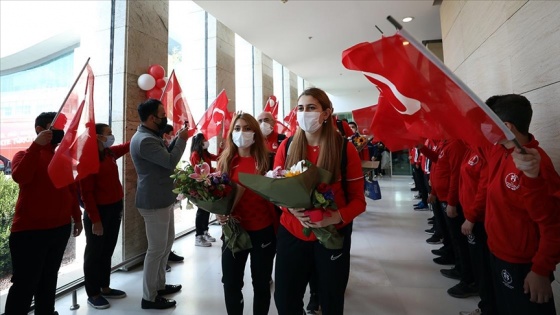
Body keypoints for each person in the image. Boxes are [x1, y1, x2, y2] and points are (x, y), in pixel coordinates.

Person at [273, 88, 366, 315]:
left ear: (326, 113)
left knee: (331, 300)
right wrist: (290, 208)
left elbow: (358, 201)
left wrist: (336, 216)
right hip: (293, 233)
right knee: (285, 299)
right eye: (301, 108)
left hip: (332, 236)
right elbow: (275, 192)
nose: (305, 113)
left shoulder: (345, 148)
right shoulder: (287, 146)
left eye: (311, 108)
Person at [481, 94, 560, 315]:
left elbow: (553, 222)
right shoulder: (500, 151)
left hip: (524, 266)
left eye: (488, 124)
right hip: (498, 251)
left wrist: (541, 270)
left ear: (506, 127)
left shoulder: (537, 165)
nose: (484, 129)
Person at [5, 112, 83, 315]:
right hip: (30, 231)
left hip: (59, 228)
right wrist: (36, 146)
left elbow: (70, 190)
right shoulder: (23, 154)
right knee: (24, 284)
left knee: (49, 279)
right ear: (40, 129)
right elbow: (20, 176)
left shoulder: (61, 158)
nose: (59, 131)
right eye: (53, 126)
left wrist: (77, 216)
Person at [130, 99, 190, 310]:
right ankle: (149, 297)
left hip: (163, 198)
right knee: (156, 250)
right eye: (162, 114)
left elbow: (165, 157)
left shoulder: (152, 136)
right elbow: (169, 162)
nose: (165, 117)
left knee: (165, 245)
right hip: (153, 201)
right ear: (151, 118)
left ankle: (159, 285)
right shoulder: (145, 140)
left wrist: (176, 139)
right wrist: (181, 140)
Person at [216, 112, 277, 315]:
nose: (242, 133)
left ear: (256, 133)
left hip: (263, 231)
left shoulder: (267, 161)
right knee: (231, 284)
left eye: (248, 128)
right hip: (234, 231)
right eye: (238, 128)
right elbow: (217, 196)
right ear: (231, 132)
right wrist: (218, 214)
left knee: (261, 284)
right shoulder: (225, 162)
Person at [79, 123, 130, 309]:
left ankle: (105, 287)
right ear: (98, 137)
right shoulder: (88, 159)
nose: (111, 136)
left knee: (107, 249)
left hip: (114, 207)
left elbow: (125, 147)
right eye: (109, 134)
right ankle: (93, 293)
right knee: (94, 253)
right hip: (98, 211)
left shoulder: (108, 153)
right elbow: (86, 194)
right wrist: (95, 220)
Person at [160, 124, 184, 268]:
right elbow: (170, 161)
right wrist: (180, 140)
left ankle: (167, 254)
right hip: (157, 198)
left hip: (167, 195)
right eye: (171, 134)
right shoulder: (151, 144)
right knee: (158, 242)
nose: (172, 136)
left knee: (168, 236)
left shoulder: (163, 145)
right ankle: (154, 287)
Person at [190, 132, 218, 247]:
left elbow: (215, 157)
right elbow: (199, 170)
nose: (206, 141)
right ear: (199, 142)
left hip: (208, 182)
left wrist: (223, 150)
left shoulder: (205, 153)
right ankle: (199, 235)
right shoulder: (195, 154)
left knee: (207, 209)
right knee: (201, 210)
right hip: (200, 184)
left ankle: (205, 231)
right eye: (204, 140)